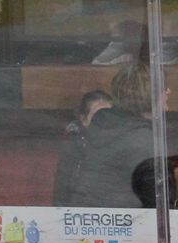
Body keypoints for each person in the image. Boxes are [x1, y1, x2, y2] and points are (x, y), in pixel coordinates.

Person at [67, 62, 170, 208]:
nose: (168, 92)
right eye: (164, 89)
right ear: (150, 96)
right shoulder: (142, 140)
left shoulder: (104, 123)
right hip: (121, 217)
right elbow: (156, 199)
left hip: (87, 213)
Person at [53, 90, 113, 206]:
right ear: (83, 119)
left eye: (109, 116)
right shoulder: (73, 146)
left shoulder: (125, 144)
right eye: (97, 116)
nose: (104, 121)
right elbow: (62, 191)